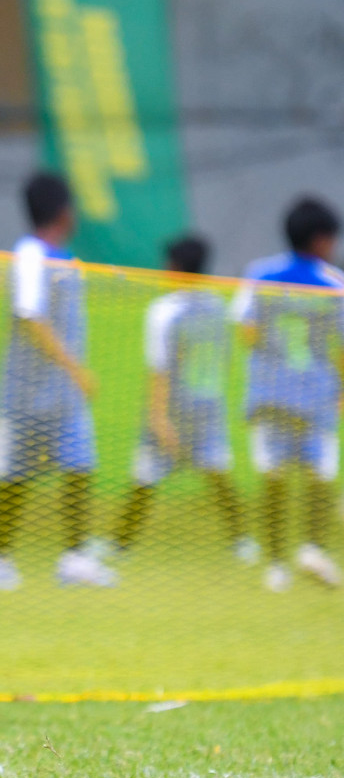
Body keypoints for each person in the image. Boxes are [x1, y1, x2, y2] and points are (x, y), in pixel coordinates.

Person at [0, 172, 114, 591]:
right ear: (63, 211)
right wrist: (75, 368)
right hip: (25, 393)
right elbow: (30, 316)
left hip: (63, 397)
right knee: (14, 477)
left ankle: (75, 557)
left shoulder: (66, 260)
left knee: (80, 467)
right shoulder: (30, 256)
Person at [113, 235, 255, 562]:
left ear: (176, 268)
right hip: (208, 408)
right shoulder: (219, 307)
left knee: (144, 478)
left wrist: (159, 417)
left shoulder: (164, 311)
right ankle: (243, 541)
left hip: (173, 410)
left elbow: (159, 367)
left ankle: (120, 545)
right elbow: (224, 359)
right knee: (219, 475)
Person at [231, 197, 344, 592]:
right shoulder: (334, 283)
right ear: (320, 240)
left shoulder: (260, 274)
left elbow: (246, 331)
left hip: (270, 393)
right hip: (315, 395)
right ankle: (312, 547)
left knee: (274, 476)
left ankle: (276, 564)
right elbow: (342, 349)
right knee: (320, 474)